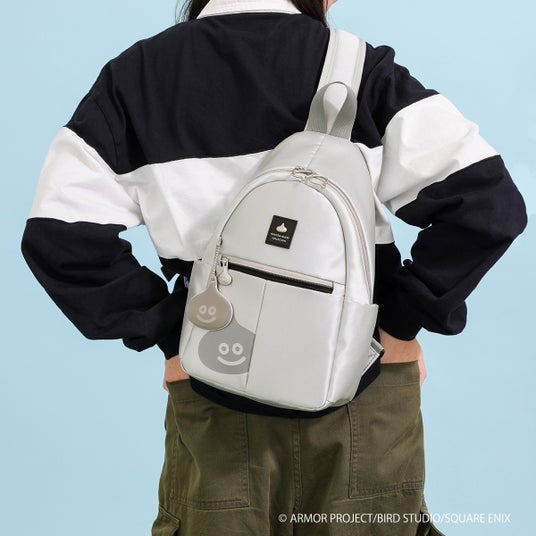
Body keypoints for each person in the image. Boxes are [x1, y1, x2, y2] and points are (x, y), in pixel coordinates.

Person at [21, 0, 527, 534]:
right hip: (363, 385)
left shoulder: (135, 79)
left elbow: (59, 236)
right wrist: (401, 323)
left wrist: (170, 335)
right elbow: (487, 204)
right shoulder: (357, 71)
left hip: (215, 380)